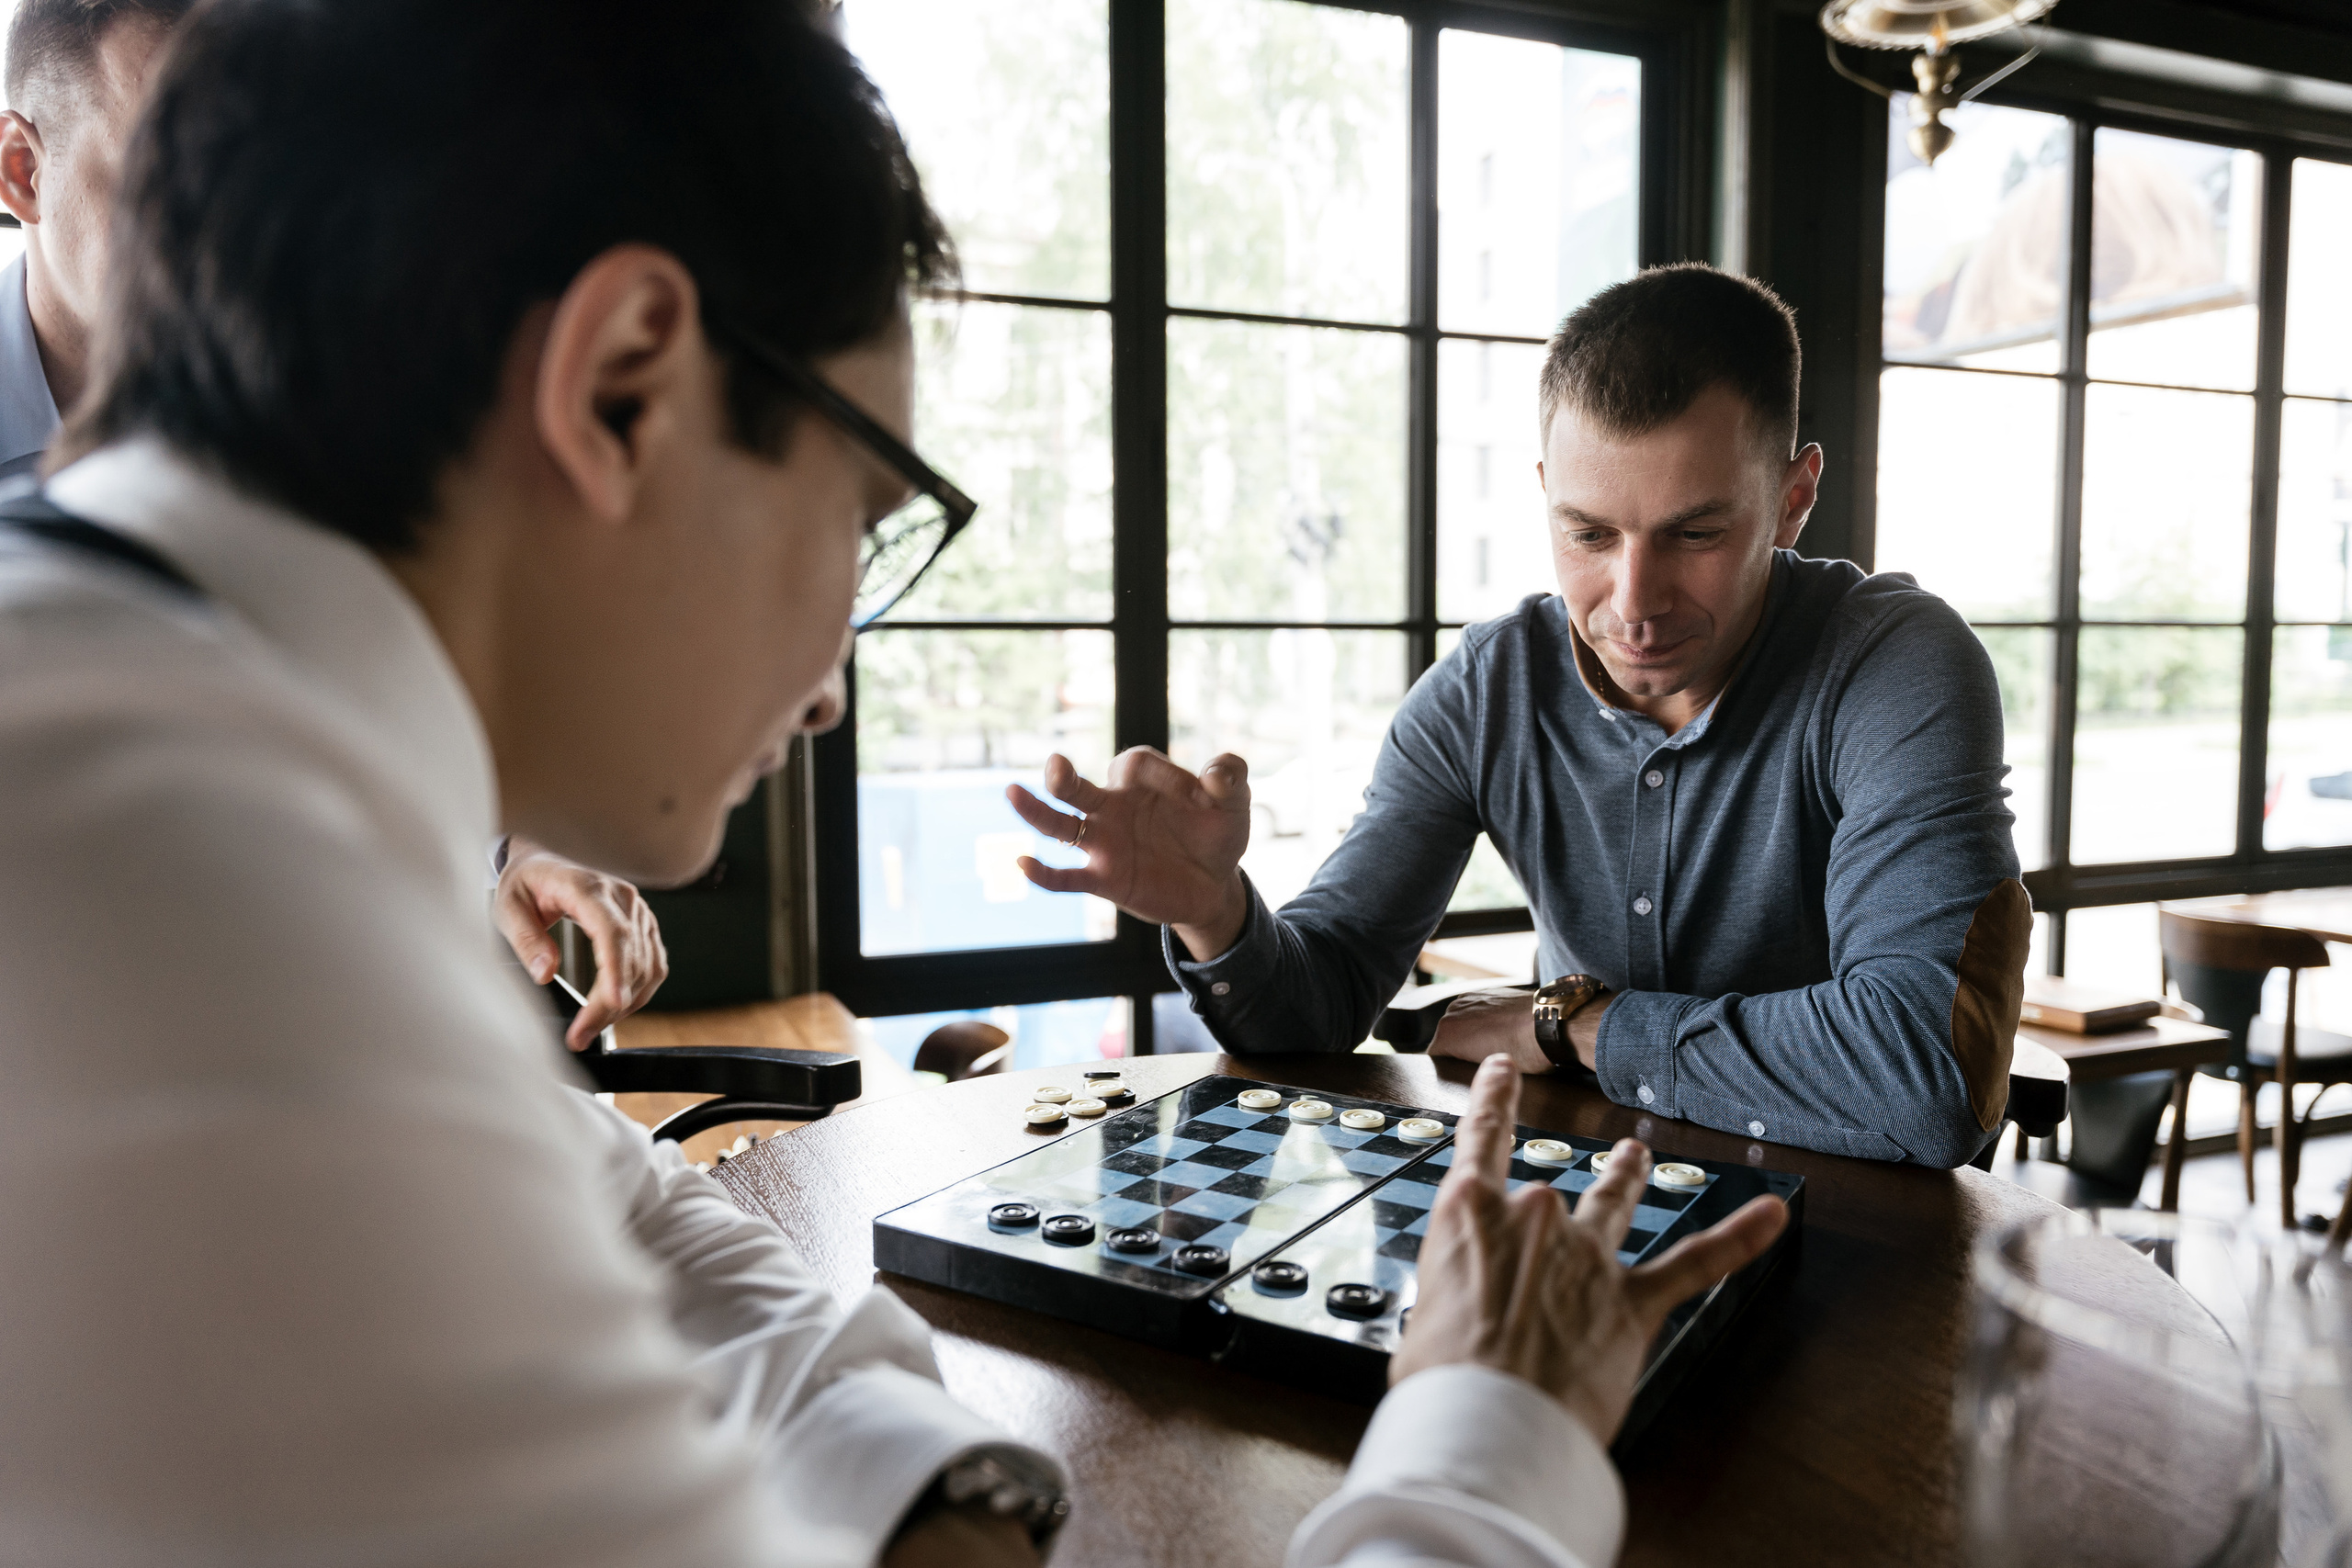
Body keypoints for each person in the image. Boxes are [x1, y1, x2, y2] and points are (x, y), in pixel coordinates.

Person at [0, 4, 1785, 1565]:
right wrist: (1490, 1439)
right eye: (861, 523)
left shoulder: (165, 742)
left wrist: (900, 1476)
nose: (831, 684)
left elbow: (606, 1194)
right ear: (623, 387)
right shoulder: (162, 925)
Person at [1014, 264, 2030, 1170]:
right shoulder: (1485, 689)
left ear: (1794, 496)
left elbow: (1922, 1078)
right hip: (1575, 1228)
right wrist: (1216, 912)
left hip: (1858, 1250)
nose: (1632, 601)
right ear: (1545, 494)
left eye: (1696, 533)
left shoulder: (1894, 666)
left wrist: (1572, 1027)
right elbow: (1317, 1007)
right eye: (1587, 532)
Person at [0, 0, 665, 1045]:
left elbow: (412, 686)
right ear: (21, 174)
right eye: (170, 188)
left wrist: (520, 846)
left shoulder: (337, 424)